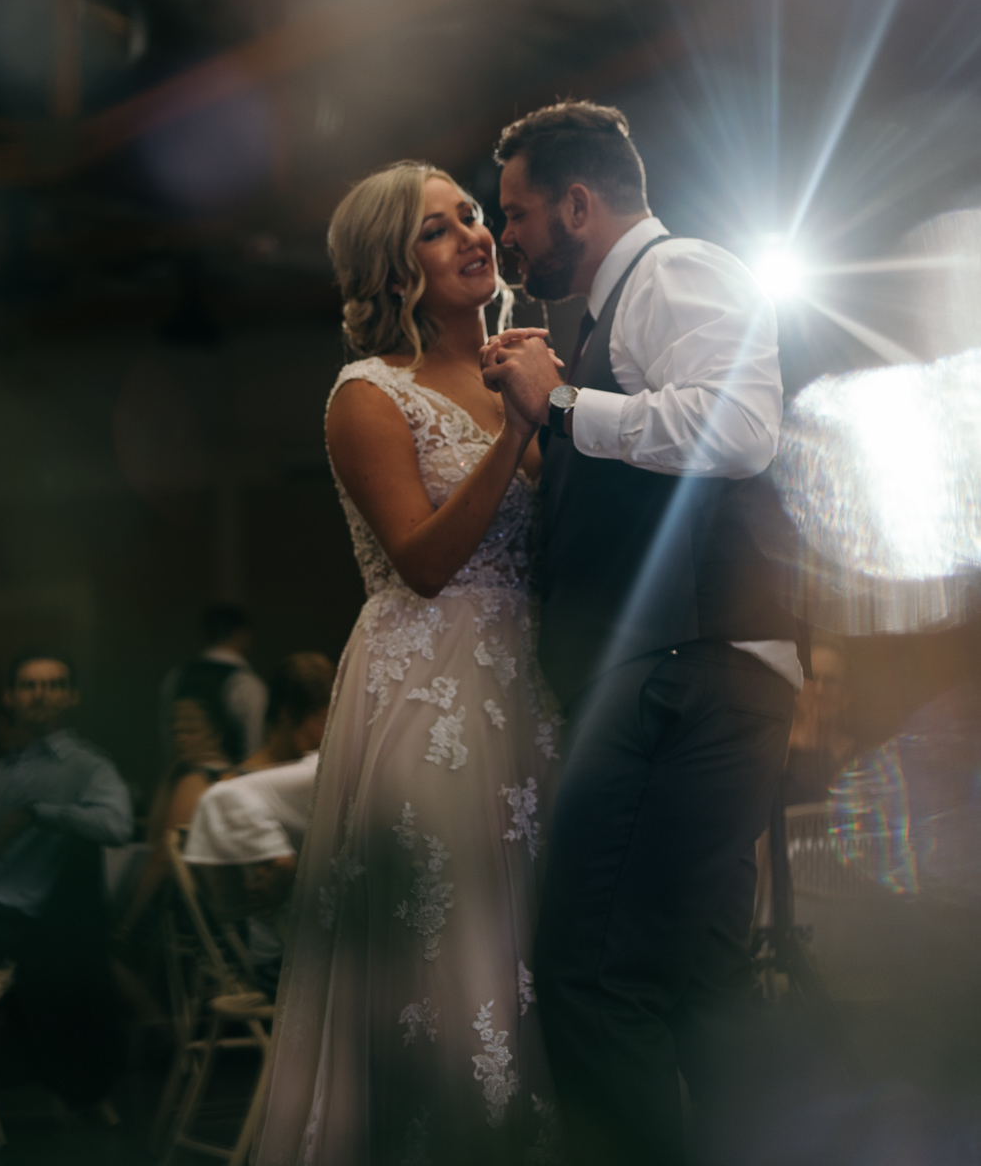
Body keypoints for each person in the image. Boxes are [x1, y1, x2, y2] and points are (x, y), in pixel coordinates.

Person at [481, 101, 808, 1166]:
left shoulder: (678, 270)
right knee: (699, 974)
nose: (510, 236)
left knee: (588, 971)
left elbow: (738, 427)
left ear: (580, 201)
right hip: (687, 669)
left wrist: (565, 406)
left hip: (685, 668)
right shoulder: (614, 306)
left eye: (519, 211)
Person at [257, 163, 560, 1166]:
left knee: (540, 951)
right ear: (395, 269)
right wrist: (520, 422)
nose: (474, 234)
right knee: (452, 957)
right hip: (427, 692)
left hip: (534, 683)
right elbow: (423, 561)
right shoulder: (366, 396)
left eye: (474, 214)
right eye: (438, 230)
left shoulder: (534, 360)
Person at [0, 651, 133, 1113]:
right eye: (29, 685)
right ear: (10, 698)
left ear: (71, 697)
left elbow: (118, 827)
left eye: (52, 684)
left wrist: (38, 815)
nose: (40, 693)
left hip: (19, 925)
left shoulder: (89, 768)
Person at [185, 653, 336, 996]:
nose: (330, 732)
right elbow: (246, 901)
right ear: (286, 715)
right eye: (322, 720)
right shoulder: (237, 787)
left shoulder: (324, 772)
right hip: (284, 953)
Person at [117, 680, 241, 942]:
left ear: (215, 731)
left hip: (190, 919)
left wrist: (126, 924)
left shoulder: (196, 780)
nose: (179, 733)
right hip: (227, 916)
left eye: (190, 728)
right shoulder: (234, 774)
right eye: (175, 726)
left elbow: (160, 857)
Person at [160, 603, 268, 761]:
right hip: (231, 777)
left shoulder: (177, 675)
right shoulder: (246, 683)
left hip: (183, 773)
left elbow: (165, 732)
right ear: (242, 635)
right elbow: (256, 743)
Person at [783, 638, 854, 806]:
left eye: (830, 681)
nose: (819, 689)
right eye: (812, 678)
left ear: (846, 693)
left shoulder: (856, 756)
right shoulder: (773, 752)